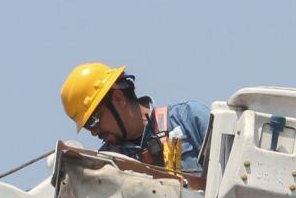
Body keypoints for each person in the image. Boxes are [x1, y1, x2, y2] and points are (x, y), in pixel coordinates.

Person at [59, 64, 210, 175]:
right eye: (87, 127)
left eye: (94, 121)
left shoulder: (188, 118)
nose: (93, 132)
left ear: (118, 99)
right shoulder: (105, 165)